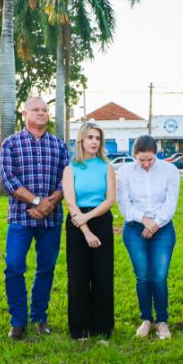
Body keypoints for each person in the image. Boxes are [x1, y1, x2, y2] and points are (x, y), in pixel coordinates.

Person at [0, 97, 69, 341]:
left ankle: (39, 318)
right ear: (24, 113)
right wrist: (38, 202)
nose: (41, 113)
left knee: (46, 269)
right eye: (36, 110)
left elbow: (66, 179)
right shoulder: (10, 144)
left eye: (45, 110)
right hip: (21, 218)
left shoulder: (59, 145)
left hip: (51, 219)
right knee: (14, 267)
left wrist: (50, 203)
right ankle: (17, 321)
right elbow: (9, 180)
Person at [117, 135, 180, 340]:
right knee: (143, 276)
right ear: (134, 155)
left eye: (150, 159)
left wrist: (155, 224)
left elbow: (171, 203)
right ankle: (146, 319)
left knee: (159, 276)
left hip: (162, 227)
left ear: (156, 155)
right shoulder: (125, 172)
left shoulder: (170, 170)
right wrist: (144, 220)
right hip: (135, 227)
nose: (145, 164)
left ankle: (162, 321)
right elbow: (124, 204)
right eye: (141, 159)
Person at [62, 122, 117, 340]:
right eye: (90, 137)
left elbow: (110, 199)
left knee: (102, 275)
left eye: (97, 138)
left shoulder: (107, 167)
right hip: (77, 224)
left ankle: (103, 328)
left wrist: (90, 217)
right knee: (78, 276)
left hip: (101, 219)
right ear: (81, 140)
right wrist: (85, 230)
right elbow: (70, 202)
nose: (94, 142)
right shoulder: (70, 169)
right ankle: (80, 328)